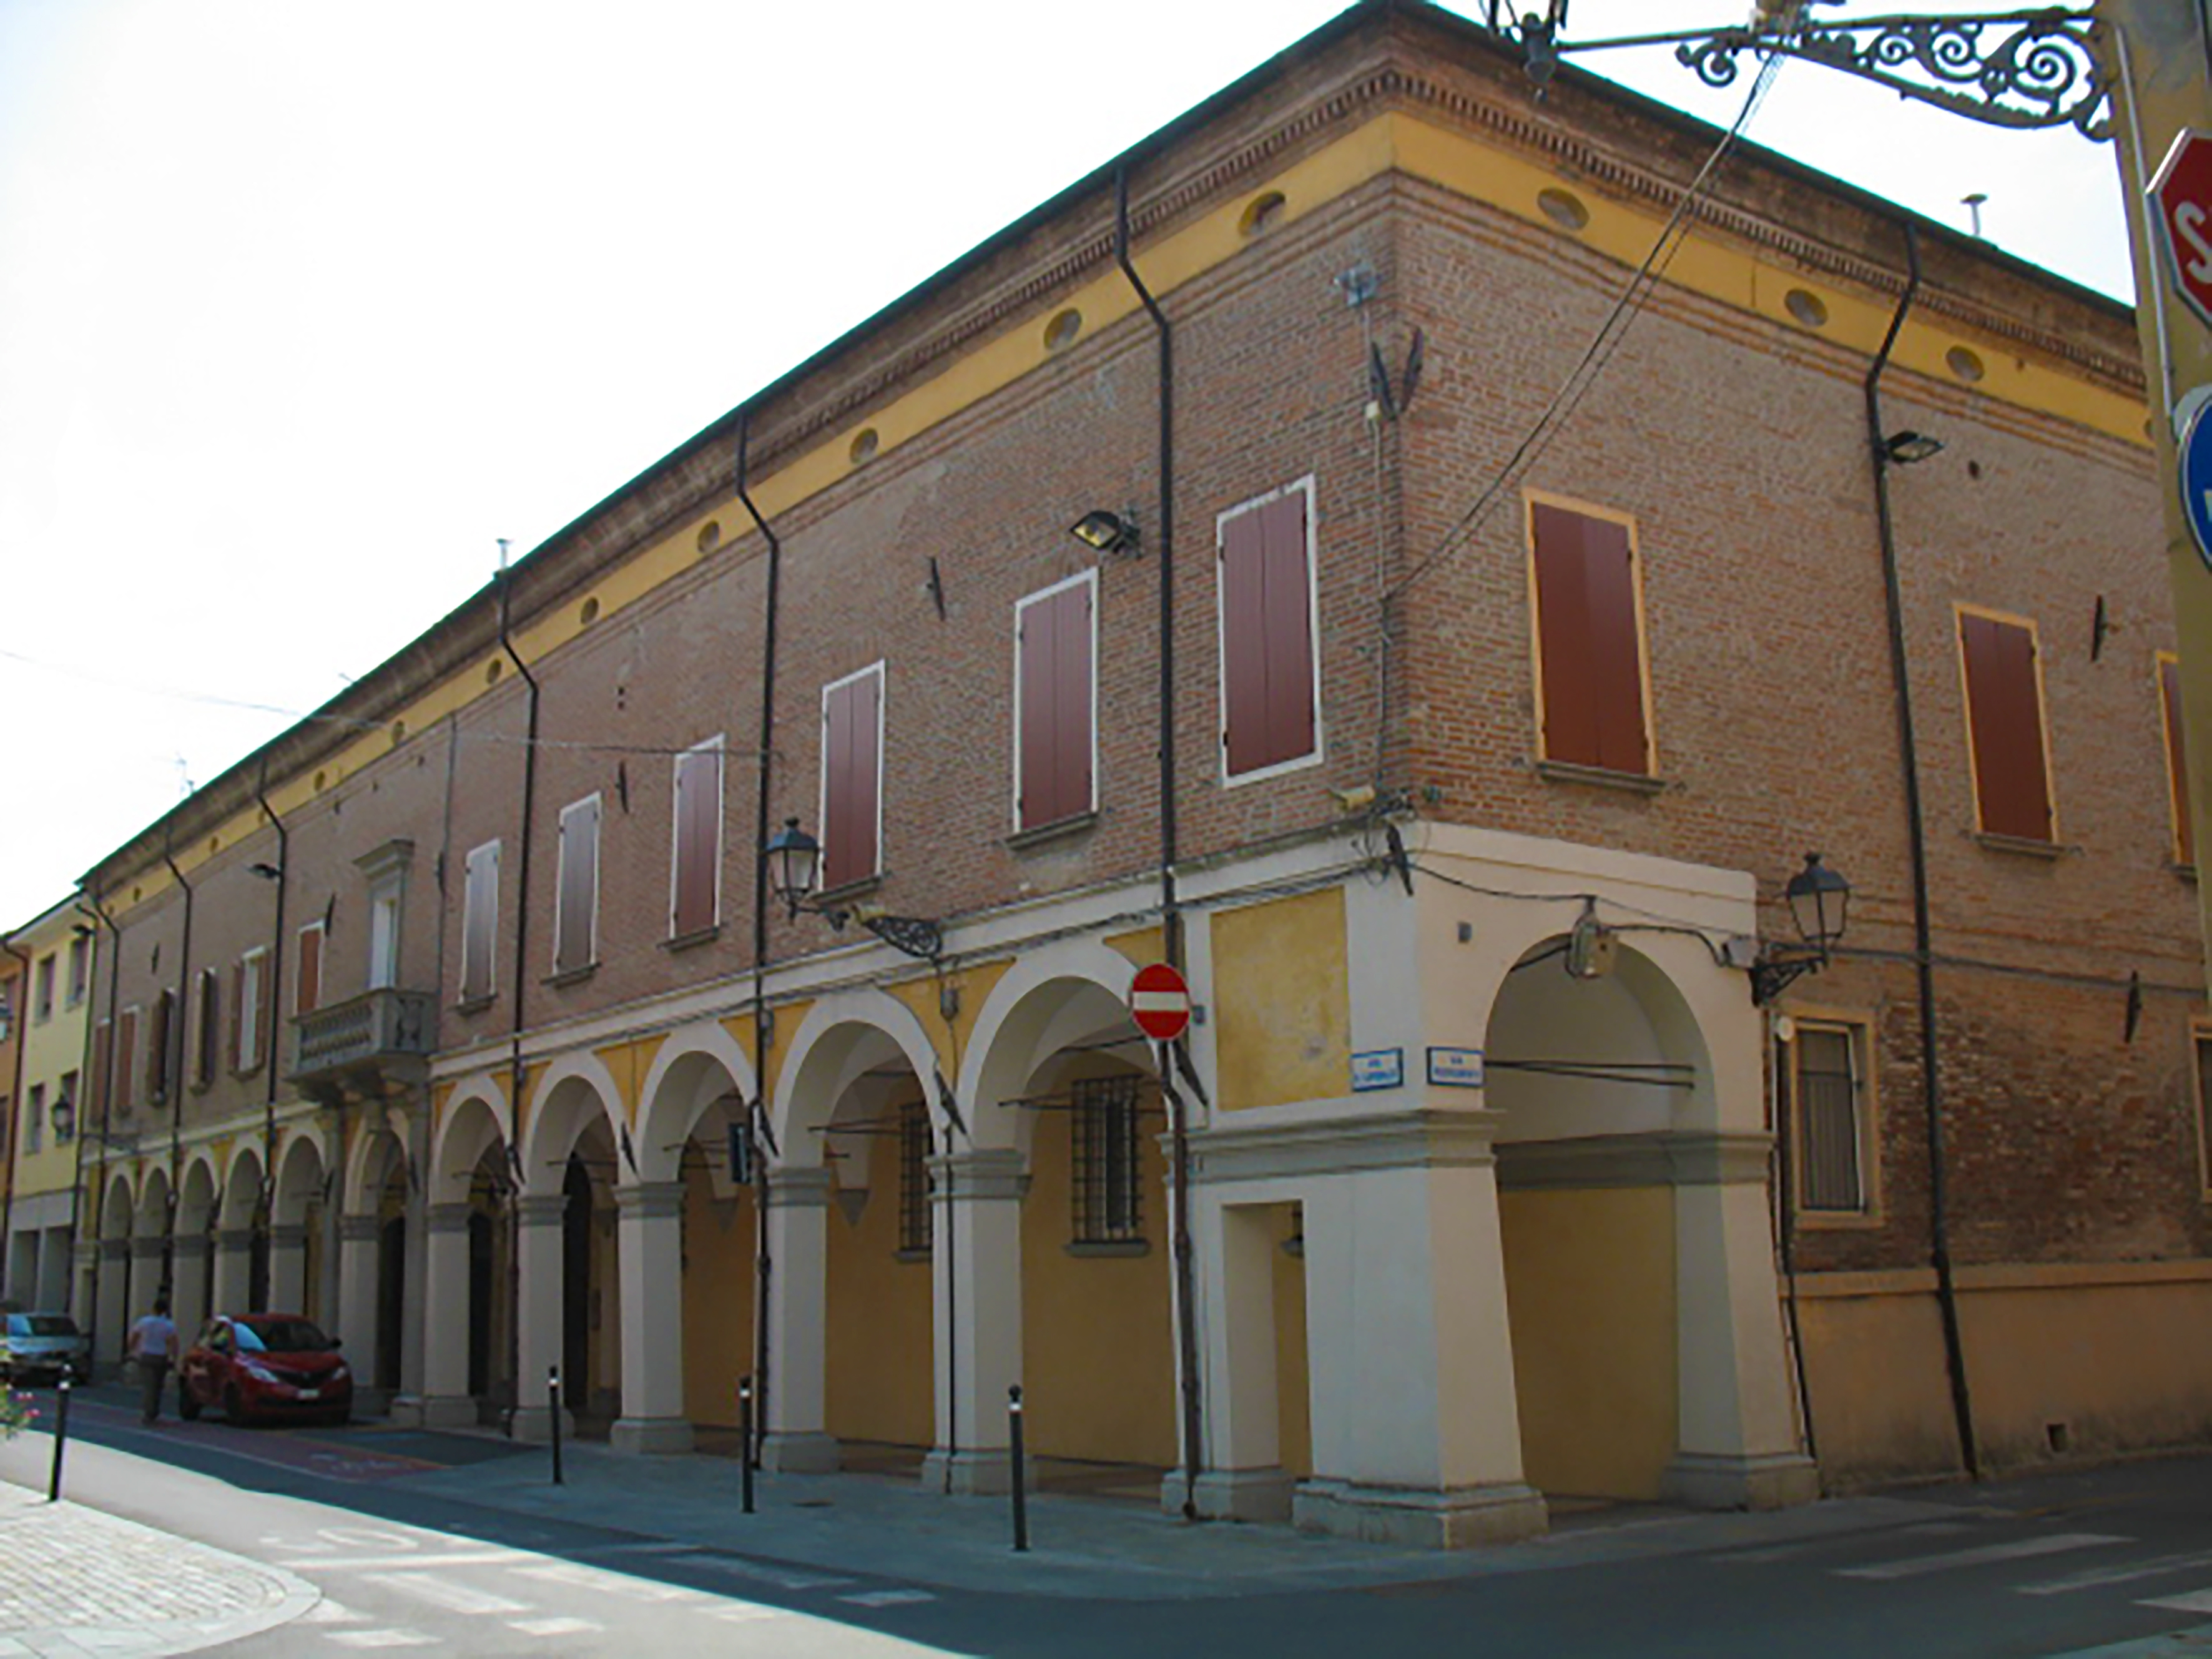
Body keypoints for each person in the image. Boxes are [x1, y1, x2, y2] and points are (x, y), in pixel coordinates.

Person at [126, 1296, 180, 1425]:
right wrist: (174, 1357)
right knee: (157, 1386)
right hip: (161, 1357)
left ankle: (149, 1412)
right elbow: (173, 1343)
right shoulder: (168, 1325)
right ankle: (154, 1410)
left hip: (146, 1355)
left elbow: (134, 1337)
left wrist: (131, 1351)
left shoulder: (144, 1322)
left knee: (148, 1385)